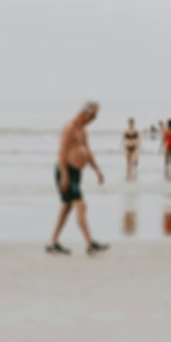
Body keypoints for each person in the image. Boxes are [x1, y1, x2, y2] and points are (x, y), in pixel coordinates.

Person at [46, 101, 108, 256]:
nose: (93, 120)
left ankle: (53, 242)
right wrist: (64, 176)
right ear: (84, 113)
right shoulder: (69, 128)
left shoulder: (82, 131)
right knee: (81, 206)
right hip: (67, 171)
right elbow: (61, 153)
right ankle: (90, 243)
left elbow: (88, 151)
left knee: (66, 208)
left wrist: (97, 170)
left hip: (76, 173)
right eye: (93, 116)